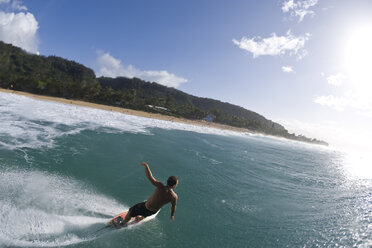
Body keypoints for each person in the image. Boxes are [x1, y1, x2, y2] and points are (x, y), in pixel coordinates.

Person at [115, 162, 178, 227]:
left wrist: (146, 166)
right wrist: (172, 215)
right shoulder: (174, 196)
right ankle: (140, 218)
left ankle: (122, 223)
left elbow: (150, 177)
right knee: (146, 212)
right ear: (174, 185)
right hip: (153, 211)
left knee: (131, 210)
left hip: (146, 207)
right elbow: (173, 207)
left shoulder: (160, 186)